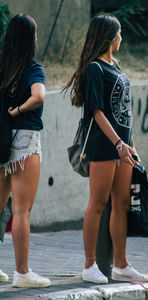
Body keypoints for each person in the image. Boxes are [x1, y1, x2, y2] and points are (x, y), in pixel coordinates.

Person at [63, 15, 148, 284]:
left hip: (123, 148)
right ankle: (89, 265)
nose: (121, 38)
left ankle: (121, 265)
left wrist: (131, 145)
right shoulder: (94, 69)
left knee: (121, 204)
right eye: (119, 33)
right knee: (98, 203)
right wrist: (117, 143)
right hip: (104, 146)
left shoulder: (117, 68)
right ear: (110, 37)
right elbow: (97, 111)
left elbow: (125, 112)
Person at [0, 14, 50, 288]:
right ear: (30, 39)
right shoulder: (33, 68)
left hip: (1, 140)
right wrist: (18, 110)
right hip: (25, 141)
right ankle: (22, 273)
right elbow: (39, 95)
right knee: (21, 211)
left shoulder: (3, 66)